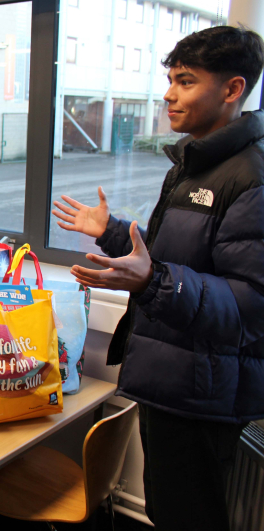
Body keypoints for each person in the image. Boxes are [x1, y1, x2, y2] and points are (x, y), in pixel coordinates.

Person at [52, 26, 264, 531]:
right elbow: (169, 257)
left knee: (187, 516)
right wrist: (114, 233)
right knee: (169, 509)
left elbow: (249, 305)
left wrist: (153, 284)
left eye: (186, 81)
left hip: (203, 390)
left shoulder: (250, 177)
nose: (169, 94)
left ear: (233, 90)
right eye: (170, 79)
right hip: (173, 374)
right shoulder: (194, 163)